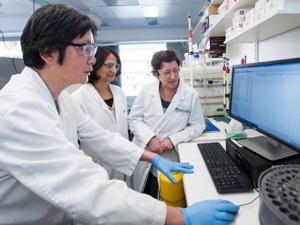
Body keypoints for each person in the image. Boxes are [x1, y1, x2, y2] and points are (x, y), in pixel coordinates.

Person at [0, 4, 239, 225]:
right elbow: (82, 186)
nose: (93, 59)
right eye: (85, 48)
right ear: (48, 53)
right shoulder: (19, 109)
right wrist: (179, 216)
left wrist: (152, 158)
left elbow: (104, 138)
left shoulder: (59, 99)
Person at [128, 49, 205, 198]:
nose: (173, 76)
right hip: (145, 152)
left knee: (167, 198)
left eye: (176, 70)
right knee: (143, 195)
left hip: (169, 156)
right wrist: (150, 138)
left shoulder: (190, 94)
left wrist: (173, 139)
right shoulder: (147, 90)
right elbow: (134, 119)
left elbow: (197, 125)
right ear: (156, 74)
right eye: (167, 72)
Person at [72, 46, 130, 184]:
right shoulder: (79, 97)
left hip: (123, 162)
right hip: (97, 166)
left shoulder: (119, 93)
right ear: (95, 63)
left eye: (116, 66)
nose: (113, 70)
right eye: (109, 65)